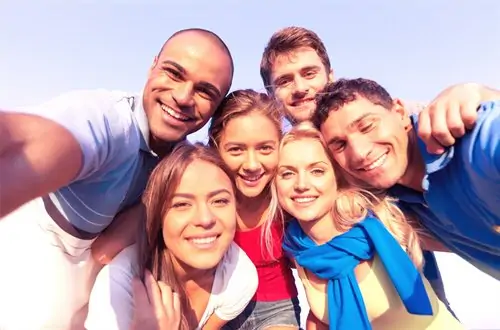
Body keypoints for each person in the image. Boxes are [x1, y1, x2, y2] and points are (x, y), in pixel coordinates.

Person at [0, 28, 234, 329]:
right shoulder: (110, 120)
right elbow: (41, 142)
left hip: (103, 273)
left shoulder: (182, 163)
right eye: (174, 73)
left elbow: (108, 249)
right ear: (153, 66)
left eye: (204, 91)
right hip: (34, 258)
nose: (182, 97)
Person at [259, 25, 452, 311]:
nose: (300, 88)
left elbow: (439, 118)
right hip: (337, 294)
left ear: (330, 75)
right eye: (285, 81)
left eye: (309, 73)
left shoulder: (377, 125)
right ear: (271, 92)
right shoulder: (279, 154)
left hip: (411, 281)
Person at [276, 122, 463, 329]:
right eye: (287, 173)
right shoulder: (296, 249)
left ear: (337, 177)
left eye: (317, 171)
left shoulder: (384, 222)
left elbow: (470, 240)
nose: (301, 185)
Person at [313, 77, 500, 281]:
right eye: (340, 145)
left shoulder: (473, 143)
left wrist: (479, 91)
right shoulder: (390, 205)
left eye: (367, 126)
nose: (359, 152)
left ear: (400, 113)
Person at [85, 142, 258, 330]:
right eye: (181, 204)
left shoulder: (239, 275)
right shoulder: (120, 285)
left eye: (220, 201)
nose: (205, 219)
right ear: (157, 216)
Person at [208, 89, 301, 330]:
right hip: (214, 308)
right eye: (236, 150)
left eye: (265, 149)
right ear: (216, 147)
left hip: (277, 309)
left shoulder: (289, 200)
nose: (251, 165)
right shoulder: (203, 198)